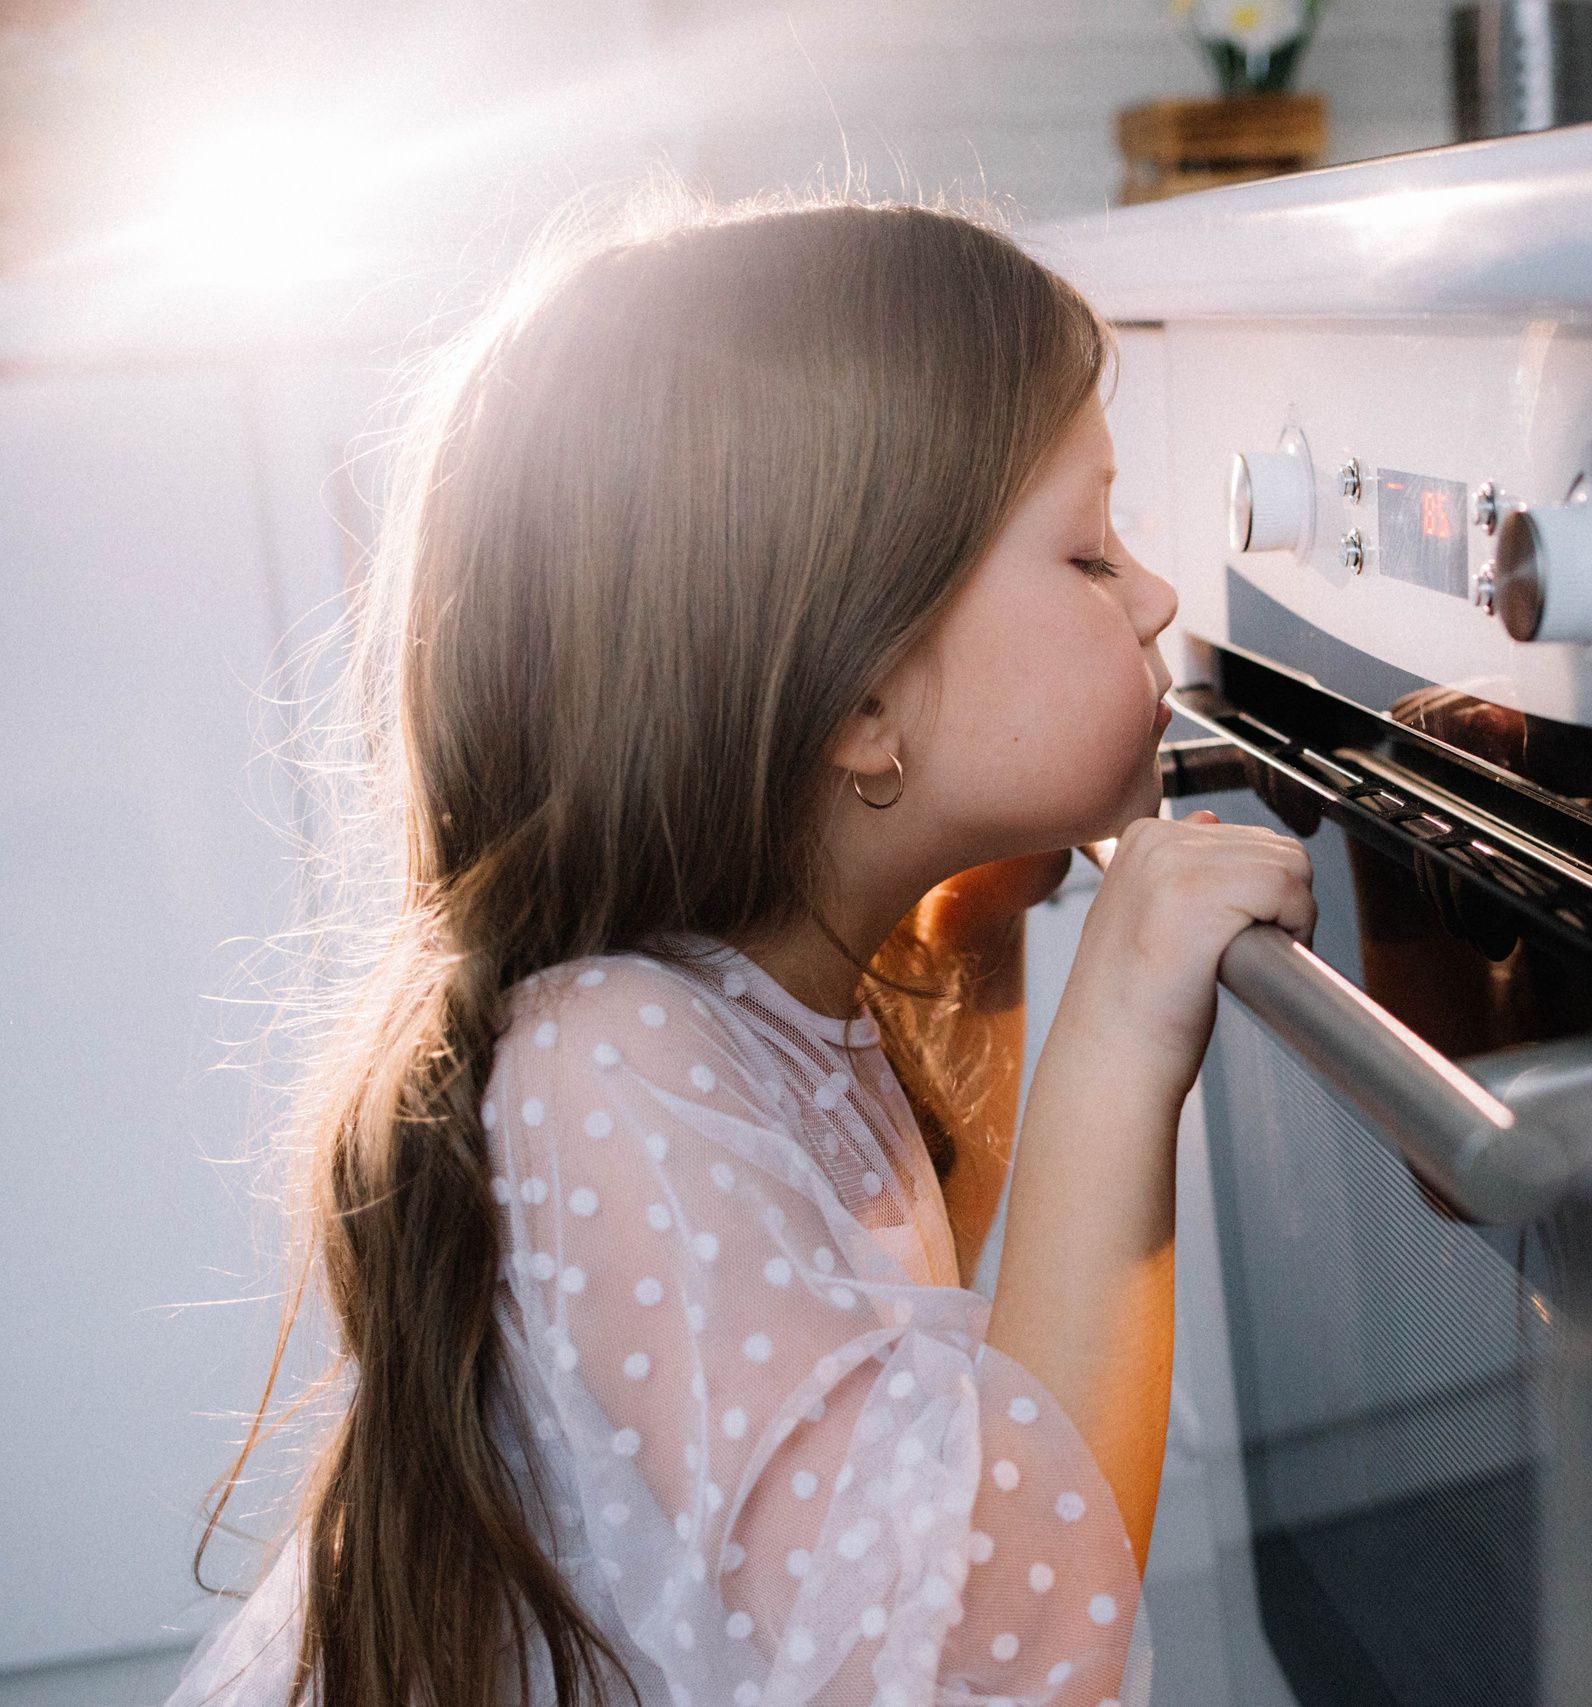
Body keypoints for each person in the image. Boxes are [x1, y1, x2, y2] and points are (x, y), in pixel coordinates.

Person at [170, 193, 1315, 1707]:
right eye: (1092, 551)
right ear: (860, 708)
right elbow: (988, 1654)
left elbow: (916, 1369)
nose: (1158, 594)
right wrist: (1115, 1044)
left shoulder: (729, 1009)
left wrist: (975, 930)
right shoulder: (603, 1065)